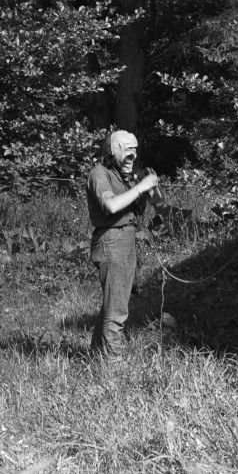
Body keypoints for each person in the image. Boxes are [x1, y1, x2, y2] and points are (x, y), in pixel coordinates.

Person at [85, 130, 159, 356]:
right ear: (112, 150)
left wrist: (147, 191)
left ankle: (98, 354)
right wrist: (140, 187)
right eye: (127, 149)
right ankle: (115, 366)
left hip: (126, 238)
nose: (133, 155)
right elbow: (111, 206)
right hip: (111, 240)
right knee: (116, 309)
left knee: (116, 302)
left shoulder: (122, 177)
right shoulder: (99, 173)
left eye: (135, 150)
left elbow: (135, 210)